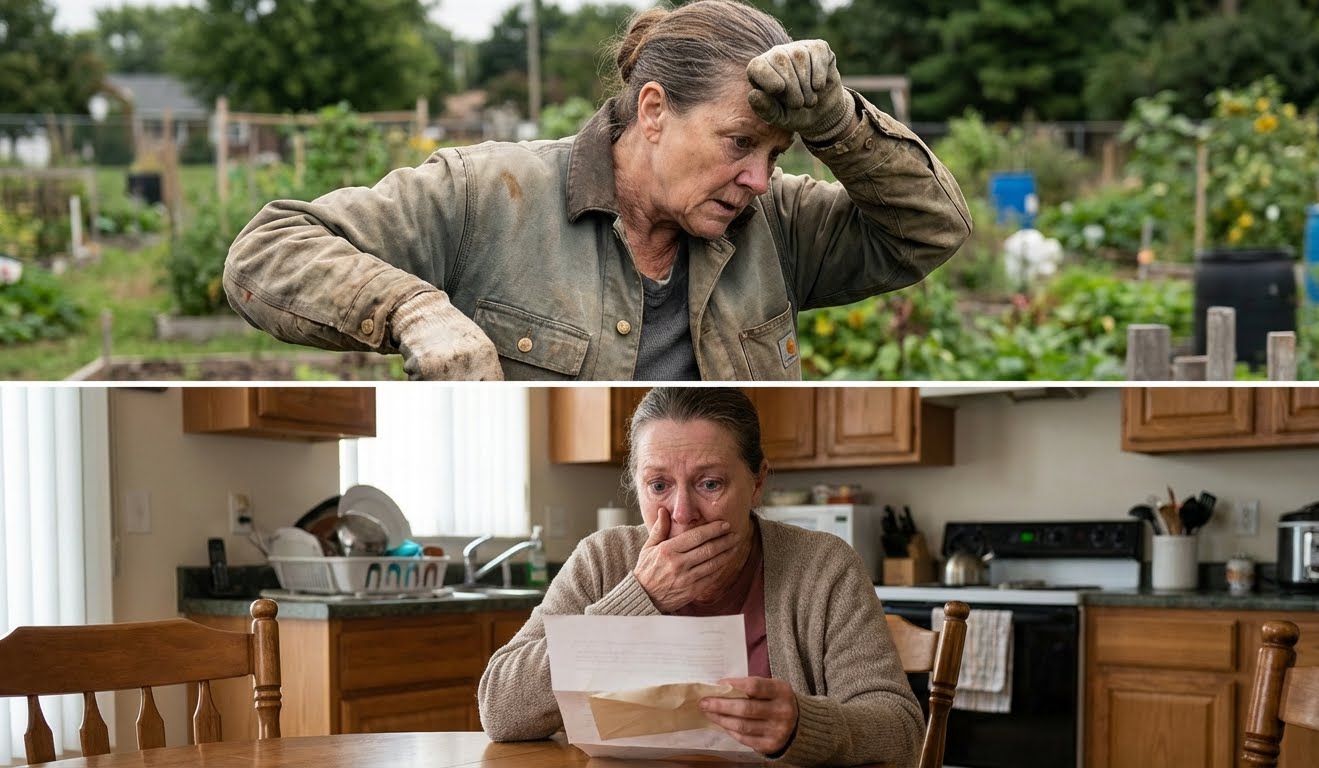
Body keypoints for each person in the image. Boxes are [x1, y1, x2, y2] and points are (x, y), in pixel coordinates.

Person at [223, 0, 971, 381]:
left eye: (778, 151)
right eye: (740, 142)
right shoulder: (492, 192)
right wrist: (412, 309)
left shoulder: (777, 223)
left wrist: (838, 120)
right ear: (653, 111)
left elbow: (928, 231)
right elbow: (266, 251)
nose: (760, 177)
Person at [477, 387, 923, 766]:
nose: (683, 513)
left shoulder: (823, 567)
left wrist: (802, 726)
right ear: (636, 485)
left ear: (757, 482)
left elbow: (901, 729)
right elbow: (501, 710)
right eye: (659, 486)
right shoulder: (602, 559)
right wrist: (638, 598)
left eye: (710, 483)